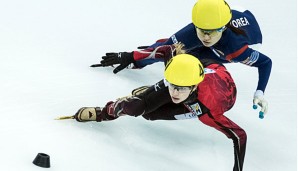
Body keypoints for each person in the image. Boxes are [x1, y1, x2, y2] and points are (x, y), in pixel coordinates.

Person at [60, 47, 246, 171]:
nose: (174, 92)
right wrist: (130, 56)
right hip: (202, 68)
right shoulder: (178, 70)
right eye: (171, 85)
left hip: (214, 99)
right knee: (138, 108)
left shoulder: (207, 111)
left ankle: (147, 96)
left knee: (151, 115)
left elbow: (239, 136)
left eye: (180, 88)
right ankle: (108, 111)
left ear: (194, 86)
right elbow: (167, 50)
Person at [92, 0, 272, 119]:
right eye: (201, 30)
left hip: (238, 43)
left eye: (211, 32)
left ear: (223, 28)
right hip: (220, 22)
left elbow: (266, 63)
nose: (206, 37)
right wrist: (133, 58)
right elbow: (166, 48)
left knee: (193, 63)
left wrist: (259, 92)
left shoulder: (236, 49)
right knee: (174, 48)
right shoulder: (196, 30)